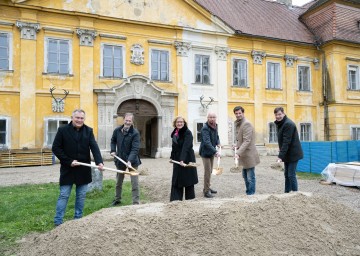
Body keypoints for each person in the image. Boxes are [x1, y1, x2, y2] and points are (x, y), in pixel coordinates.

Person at [52, 109, 104, 226]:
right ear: (72, 118)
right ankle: (58, 221)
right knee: (64, 195)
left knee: (81, 196)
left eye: (82, 118)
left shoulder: (88, 131)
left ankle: (78, 220)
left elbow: (94, 147)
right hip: (68, 168)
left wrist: (99, 162)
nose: (79, 120)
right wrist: (69, 161)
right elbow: (56, 148)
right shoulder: (62, 130)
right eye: (77, 118)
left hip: (83, 169)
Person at [110, 113, 141, 205]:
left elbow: (135, 149)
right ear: (123, 120)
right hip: (120, 159)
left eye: (129, 121)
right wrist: (113, 150)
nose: (128, 122)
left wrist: (129, 161)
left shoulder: (135, 133)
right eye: (126, 120)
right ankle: (117, 199)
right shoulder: (117, 130)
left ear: (132, 122)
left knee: (134, 182)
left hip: (133, 161)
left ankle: (135, 202)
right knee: (118, 181)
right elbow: (113, 140)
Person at [274, 107, 303, 193]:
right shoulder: (281, 123)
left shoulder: (288, 124)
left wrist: (280, 156)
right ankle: (287, 193)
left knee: (291, 175)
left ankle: (295, 194)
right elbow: (283, 140)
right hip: (287, 153)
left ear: (283, 113)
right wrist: (282, 152)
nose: (278, 116)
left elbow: (287, 142)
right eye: (276, 115)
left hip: (293, 154)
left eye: (279, 114)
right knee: (286, 174)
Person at [170, 116, 198, 201]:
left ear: (184, 123)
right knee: (177, 179)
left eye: (181, 122)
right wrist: (172, 157)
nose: (179, 123)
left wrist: (182, 159)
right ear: (175, 123)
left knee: (188, 180)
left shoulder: (187, 132)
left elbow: (186, 147)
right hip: (177, 160)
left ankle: (190, 201)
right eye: (178, 122)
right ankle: (176, 200)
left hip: (187, 159)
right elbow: (174, 147)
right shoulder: (175, 133)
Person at [233, 106, 260, 195]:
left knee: (250, 177)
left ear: (243, 113)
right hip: (244, 155)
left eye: (239, 113)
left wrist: (238, 152)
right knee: (245, 176)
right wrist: (236, 146)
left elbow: (247, 140)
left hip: (249, 155)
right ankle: (248, 193)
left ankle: (251, 194)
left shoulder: (246, 124)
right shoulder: (239, 123)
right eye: (236, 113)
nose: (238, 115)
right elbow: (241, 139)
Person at [199, 112, 220, 198]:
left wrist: (218, 143)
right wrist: (215, 151)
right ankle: (206, 191)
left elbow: (217, 136)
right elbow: (207, 142)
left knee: (210, 171)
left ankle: (207, 187)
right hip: (205, 153)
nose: (212, 119)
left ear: (215, 118)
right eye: (210, 117)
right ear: (207, 118)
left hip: (211, 152)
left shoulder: (215, 125)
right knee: (207, 172)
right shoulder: (205, 128)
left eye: (213, 117)